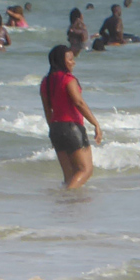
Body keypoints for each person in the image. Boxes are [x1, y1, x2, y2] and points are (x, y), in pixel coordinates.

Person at [41, 43, 102, 189]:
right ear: (62, 61)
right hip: (72, 128)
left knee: (69, 175)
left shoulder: (46, 82)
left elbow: (47, 110)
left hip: (55, 128)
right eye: (69, 59)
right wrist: (96, 124)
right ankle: (66, 195)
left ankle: (68, 206)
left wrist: (53, 130)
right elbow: (79, 102)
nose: (73, 62)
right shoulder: (68, 79)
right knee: (85, 170)